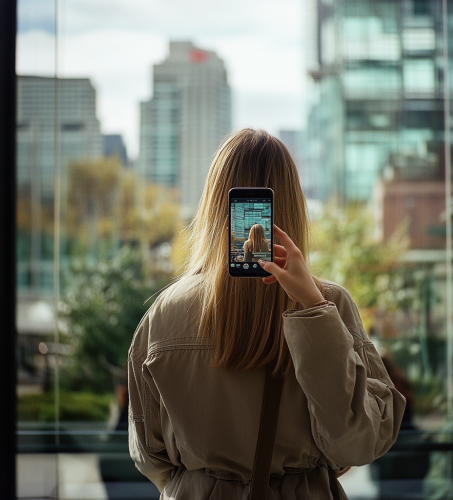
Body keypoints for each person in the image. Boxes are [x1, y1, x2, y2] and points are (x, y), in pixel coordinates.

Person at [128, 129, 406, 500]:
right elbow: (359, 442)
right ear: (293, 204)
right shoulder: (328, 304)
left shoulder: (164, 314)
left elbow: (148, 453)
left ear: (212, 206)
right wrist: (311, 305)